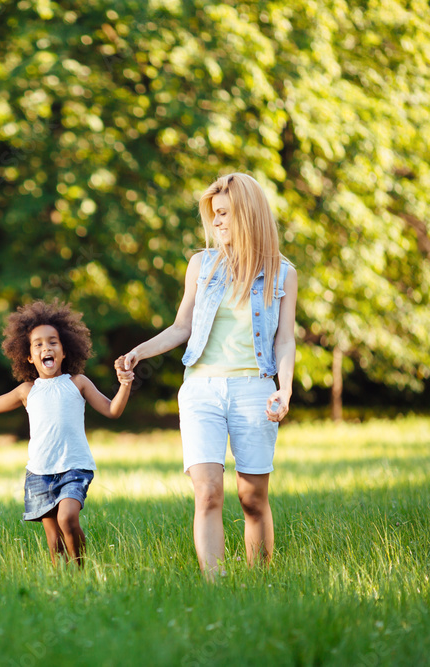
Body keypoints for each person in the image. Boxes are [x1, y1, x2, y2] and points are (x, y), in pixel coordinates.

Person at [118, 173, 298, 580]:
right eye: (213, 215)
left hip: (255, 389)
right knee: (209, 492)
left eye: (223, 214)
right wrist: (138, 352)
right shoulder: (202, 265)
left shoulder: (282, 273)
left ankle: (259, 583)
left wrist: (284, 390)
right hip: (201, 390)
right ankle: (215, 588)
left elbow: (284, 341)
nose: (216, 223)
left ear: (247, 215)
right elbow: (182, 327)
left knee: (252, 498)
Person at [0, 300, 133, 566]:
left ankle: (80, 571)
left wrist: (124, 384)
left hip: (74, 467)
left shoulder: (78, 383)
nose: (46, 348)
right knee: (54, 542)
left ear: (64, 351)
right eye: (38, 344)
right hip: (39, 474)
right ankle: (61, 584)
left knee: (67, 519)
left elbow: (112, 411)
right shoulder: (27, 390)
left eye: (53, 342)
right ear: (28, 356)